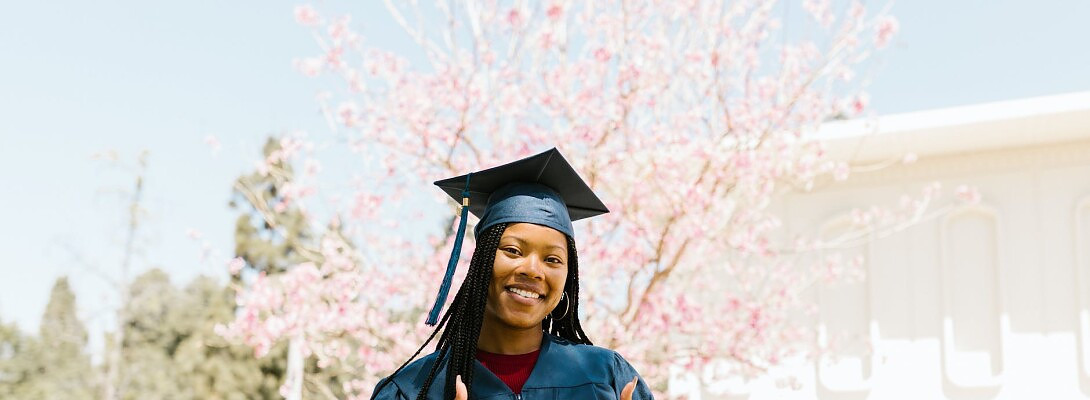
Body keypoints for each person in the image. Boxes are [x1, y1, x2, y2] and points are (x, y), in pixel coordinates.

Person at [371, 148, 654, 400]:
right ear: (481, 262)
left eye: (552, 259)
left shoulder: (607, 378)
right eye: (513, 251)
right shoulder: (413, 389)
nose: (532, 270)